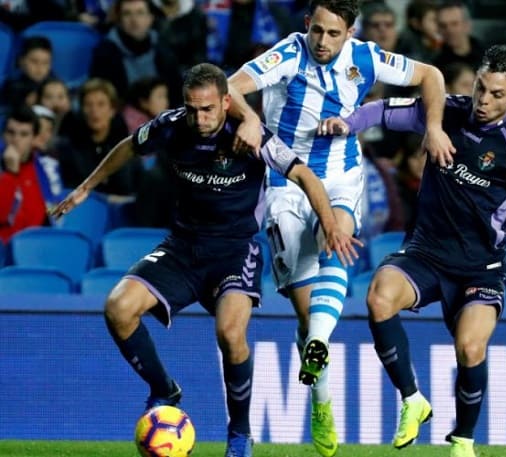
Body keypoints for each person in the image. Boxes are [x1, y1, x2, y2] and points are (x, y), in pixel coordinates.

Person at [49, 62, 360, 457]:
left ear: (226, 102)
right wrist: (84, 188)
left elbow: (305, 176)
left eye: (208, 109)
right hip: (183, 247)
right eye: (192, 108)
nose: (199, 118)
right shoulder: (171, 125)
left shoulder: (252, 136)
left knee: (231, 335)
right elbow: (130, 145)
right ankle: (164, 390)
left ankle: (240, 433)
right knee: (118, 308)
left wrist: (331, 223)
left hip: (234, 250)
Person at [319, 45, 506, 457]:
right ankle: (412, 400)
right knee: (380, 296)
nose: (484, 101)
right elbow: (383, 110)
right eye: (480, 88)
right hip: (426, 254)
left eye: (496, 94)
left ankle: (463, 441)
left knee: (471, 347)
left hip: (481, 268)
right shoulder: (445, 111)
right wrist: (348, 124)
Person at [226, 1, 455, 455]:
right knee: (307, 311)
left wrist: (433, 126)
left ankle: (315, 348)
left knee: (339, 239)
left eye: (335, 34)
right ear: (307, 25)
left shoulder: (367, 57)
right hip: (285, 183)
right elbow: (229, 86)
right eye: (318, 31)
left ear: (350, 32)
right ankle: (321, 398)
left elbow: (431, 75)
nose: (323, 42)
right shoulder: (288, 54)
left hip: (342, 175)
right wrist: (251, 118)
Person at [0, 106, 63, 243]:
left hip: (37, 245)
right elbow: (2, 217)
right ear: (3, 135)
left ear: (34, 139)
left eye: (24, 134)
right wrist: (10, 175)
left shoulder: (47, 169)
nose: (16, 140)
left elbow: (56, 217)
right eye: (11, 133)